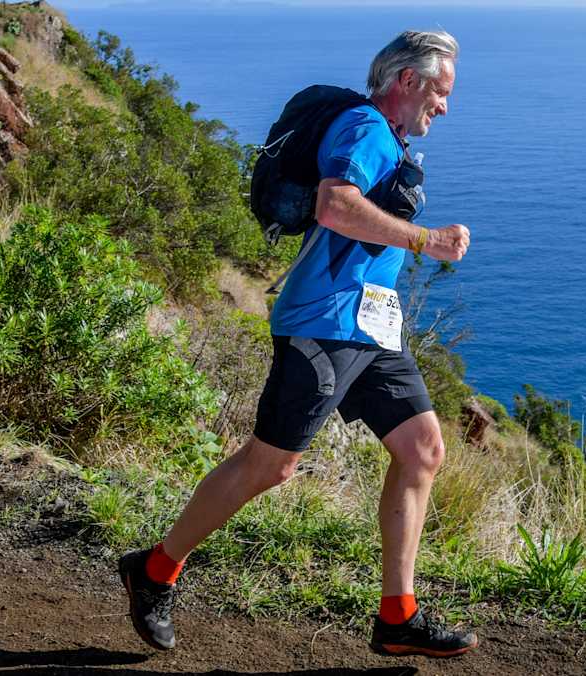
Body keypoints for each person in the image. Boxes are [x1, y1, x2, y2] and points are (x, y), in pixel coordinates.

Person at [118, 30, 476, 658]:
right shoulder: (365, 127)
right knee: (271, 465)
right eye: (439, 92)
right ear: (408, 82)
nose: (442, 107)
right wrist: (426, 241)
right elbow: (335, 206)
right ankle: (153, 573)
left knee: (422, 450)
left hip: (372, 328)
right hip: (323, 324)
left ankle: (397, 616)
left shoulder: (387, 137)